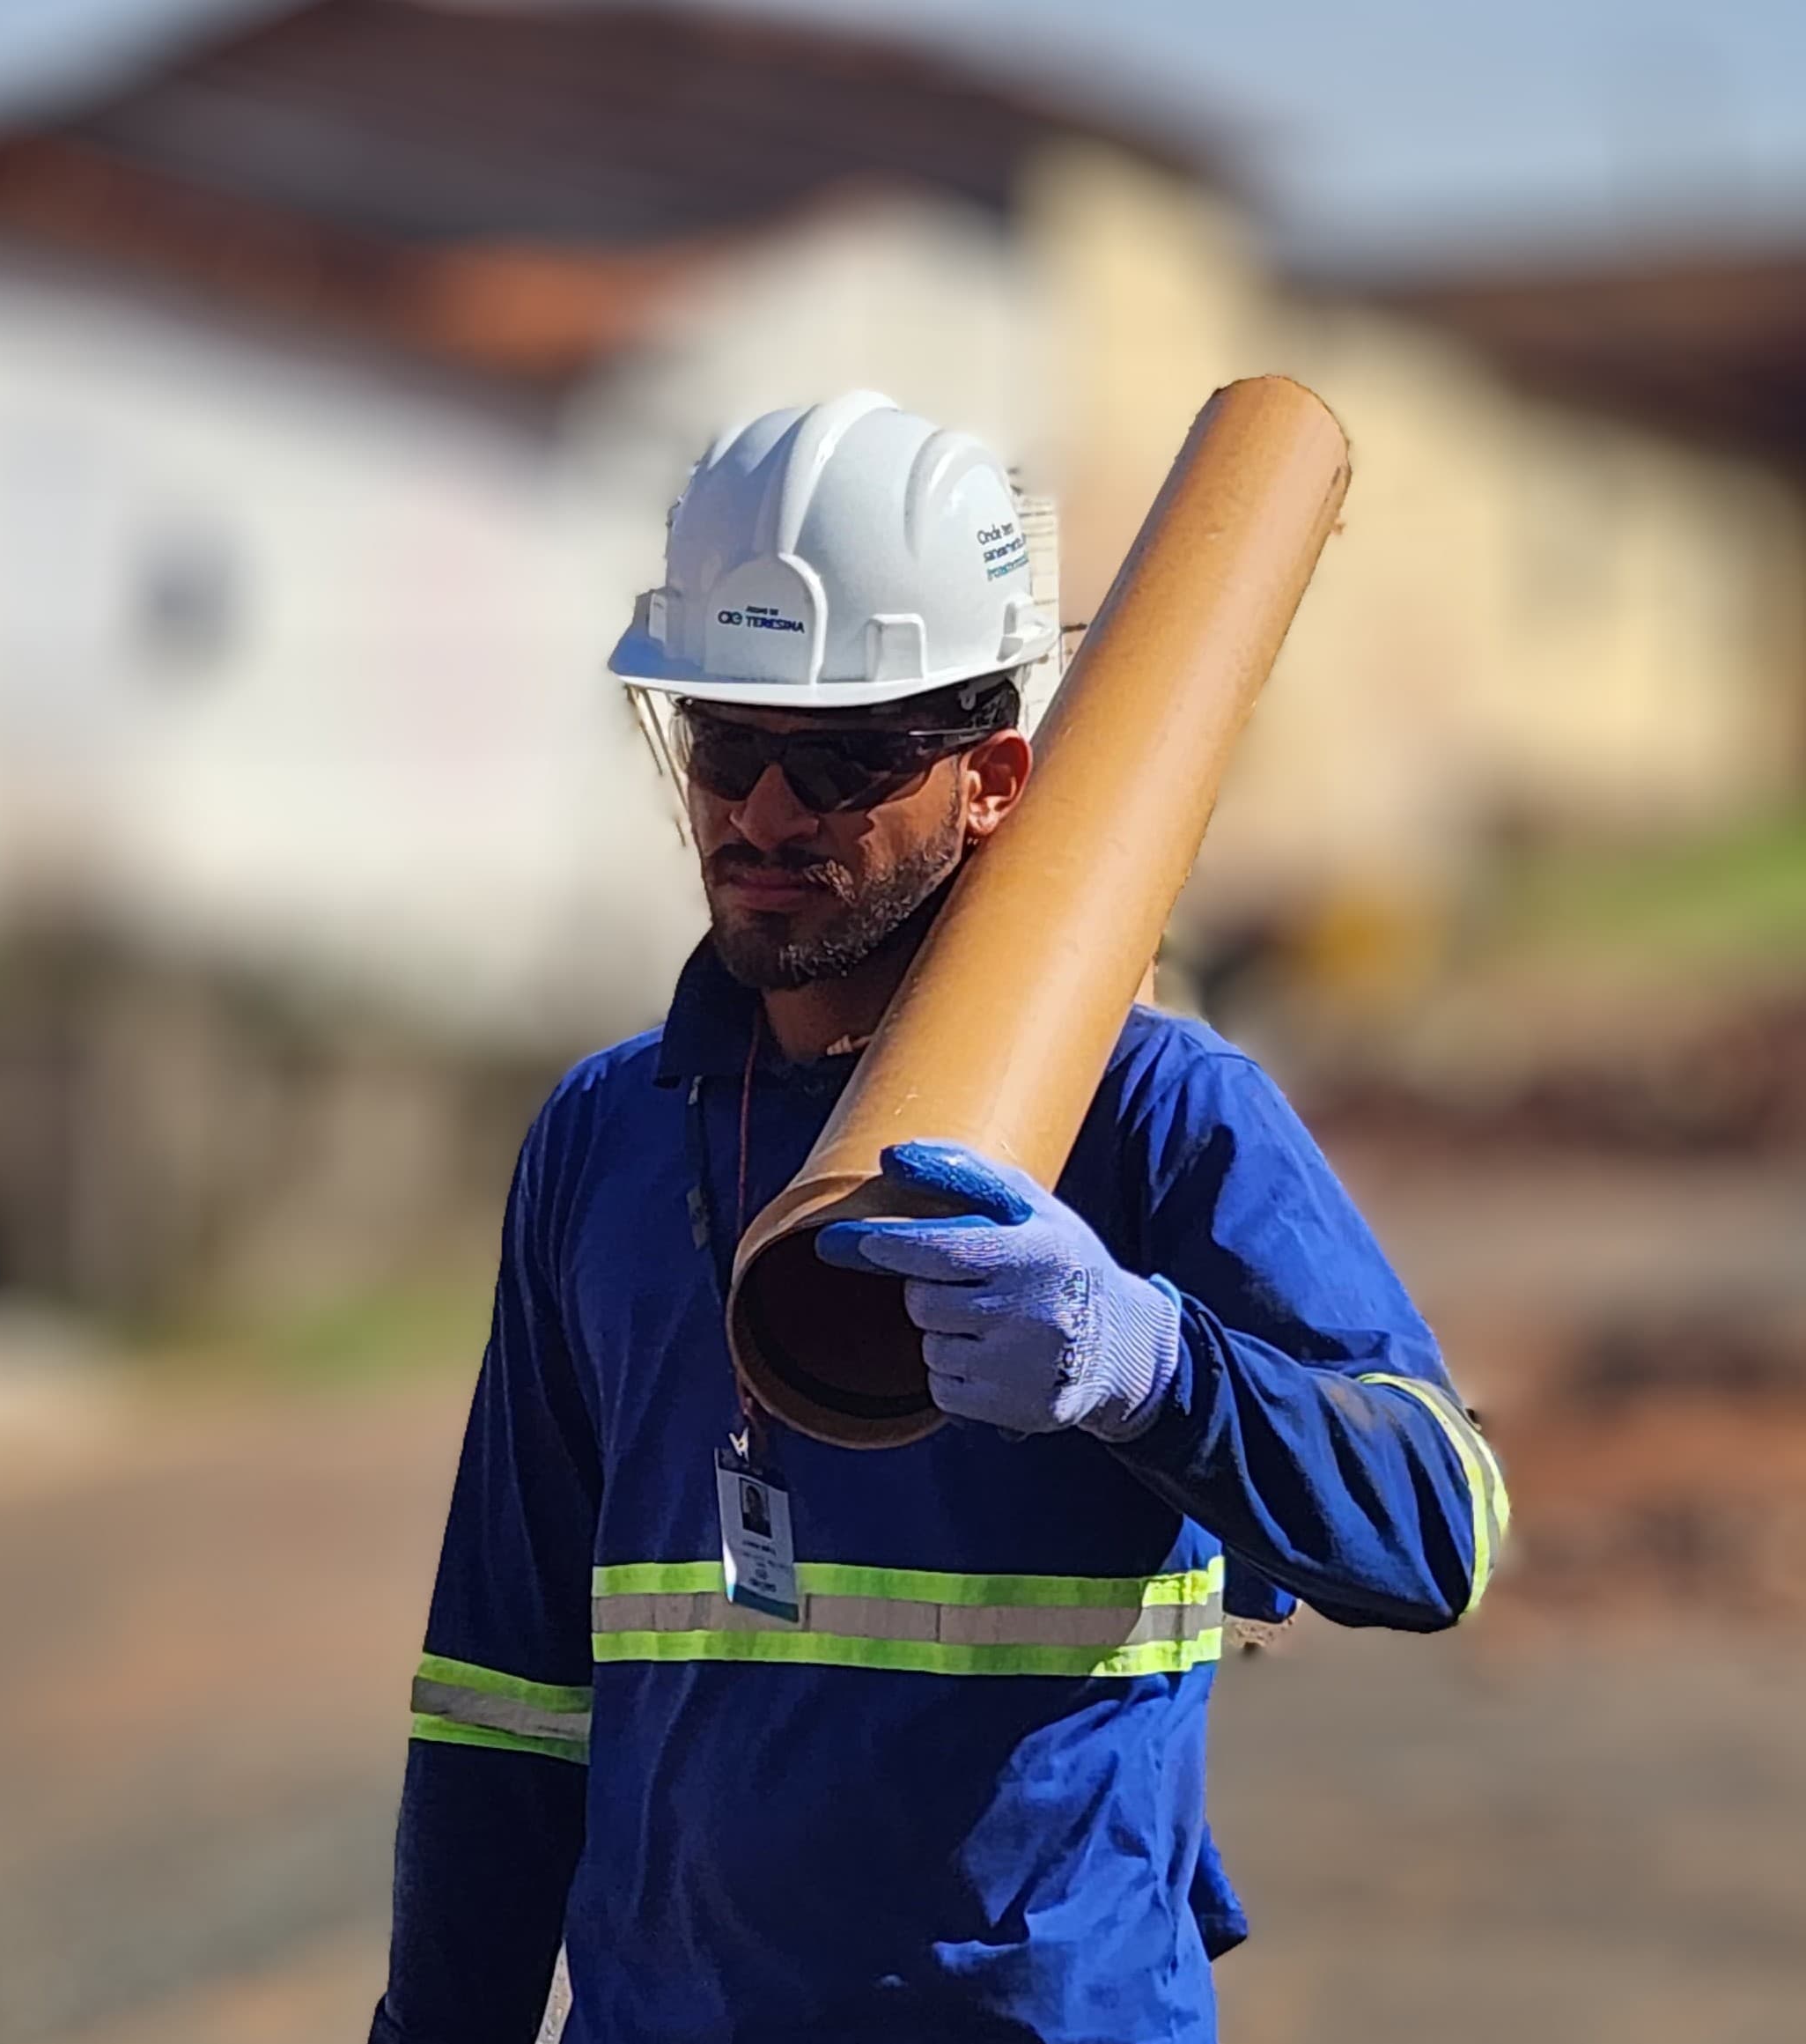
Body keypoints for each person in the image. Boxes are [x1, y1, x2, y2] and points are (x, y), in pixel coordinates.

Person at [372, 392, 1507, 2044]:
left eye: (841, 761)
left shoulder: (1155, 1113)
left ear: (993, 780)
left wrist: (1154, 1370)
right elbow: (504, 1687)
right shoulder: (604, 1140)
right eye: (727, 744)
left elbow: (1439, 1526)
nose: (764, 814)